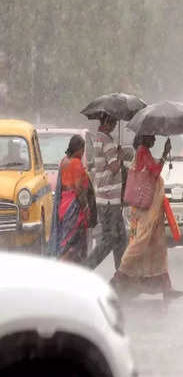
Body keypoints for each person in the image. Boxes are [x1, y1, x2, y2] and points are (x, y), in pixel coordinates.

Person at [112, 135, 183, 301]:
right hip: (146, 209)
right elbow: (155, 172)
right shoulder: (142, 152)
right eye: (152, 137)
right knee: (140, 242)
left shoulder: (145, 153)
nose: (154, 140)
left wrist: (164, 155)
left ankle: (166, 287)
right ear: (145, 138)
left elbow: (153, 172)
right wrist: (165, 154)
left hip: (152, 209)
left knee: (157, 248)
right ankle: (119, 276)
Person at [84, 115, 127, 271]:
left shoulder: (97, 138)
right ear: (107, 122)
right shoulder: (107, 142)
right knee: (109, 239)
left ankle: (121, 276)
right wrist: (120, 157)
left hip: (105, 197)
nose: (115, 126)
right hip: (109, 199)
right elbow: (114, 168)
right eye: (113, 122)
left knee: (121, 238)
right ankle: (86, 268)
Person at [47, 135, 94, 263]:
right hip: (74, 208)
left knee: (66, 240)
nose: (83, 153)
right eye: (82, 150)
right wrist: (85, 207)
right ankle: (63, 266)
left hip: (64, 206)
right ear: (78, 148)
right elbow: (79, 188)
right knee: (72, 242)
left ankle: (67, 267)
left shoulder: (63, 161)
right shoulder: (76, 164)